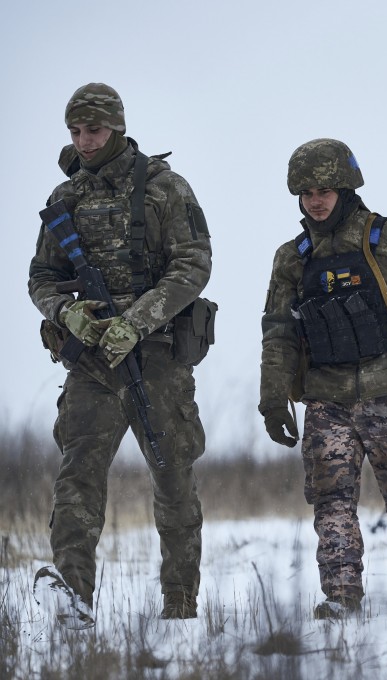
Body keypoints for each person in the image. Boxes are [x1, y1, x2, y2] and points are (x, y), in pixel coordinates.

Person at [29, 83, 212, 626]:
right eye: (76, 132)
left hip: (156, 360)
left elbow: (193, 266)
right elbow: (41, 277)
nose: (84, 141)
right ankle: (73, 601)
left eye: (95, 130)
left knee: (174, 480)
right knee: (76, 481)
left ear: (118, 128)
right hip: (90, 364)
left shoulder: (164, 189)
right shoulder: (65, 200)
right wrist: (66, 312)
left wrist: (135, 322)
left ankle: (179, 605)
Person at [259, 138, 387, 619]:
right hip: (325, 399)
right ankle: (342, 595)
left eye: (325, 189)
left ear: (346, 187)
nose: (316, 199)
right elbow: (279, 328)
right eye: (307, 191)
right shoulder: (293, 257)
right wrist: (272, 397)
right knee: (330, 501)